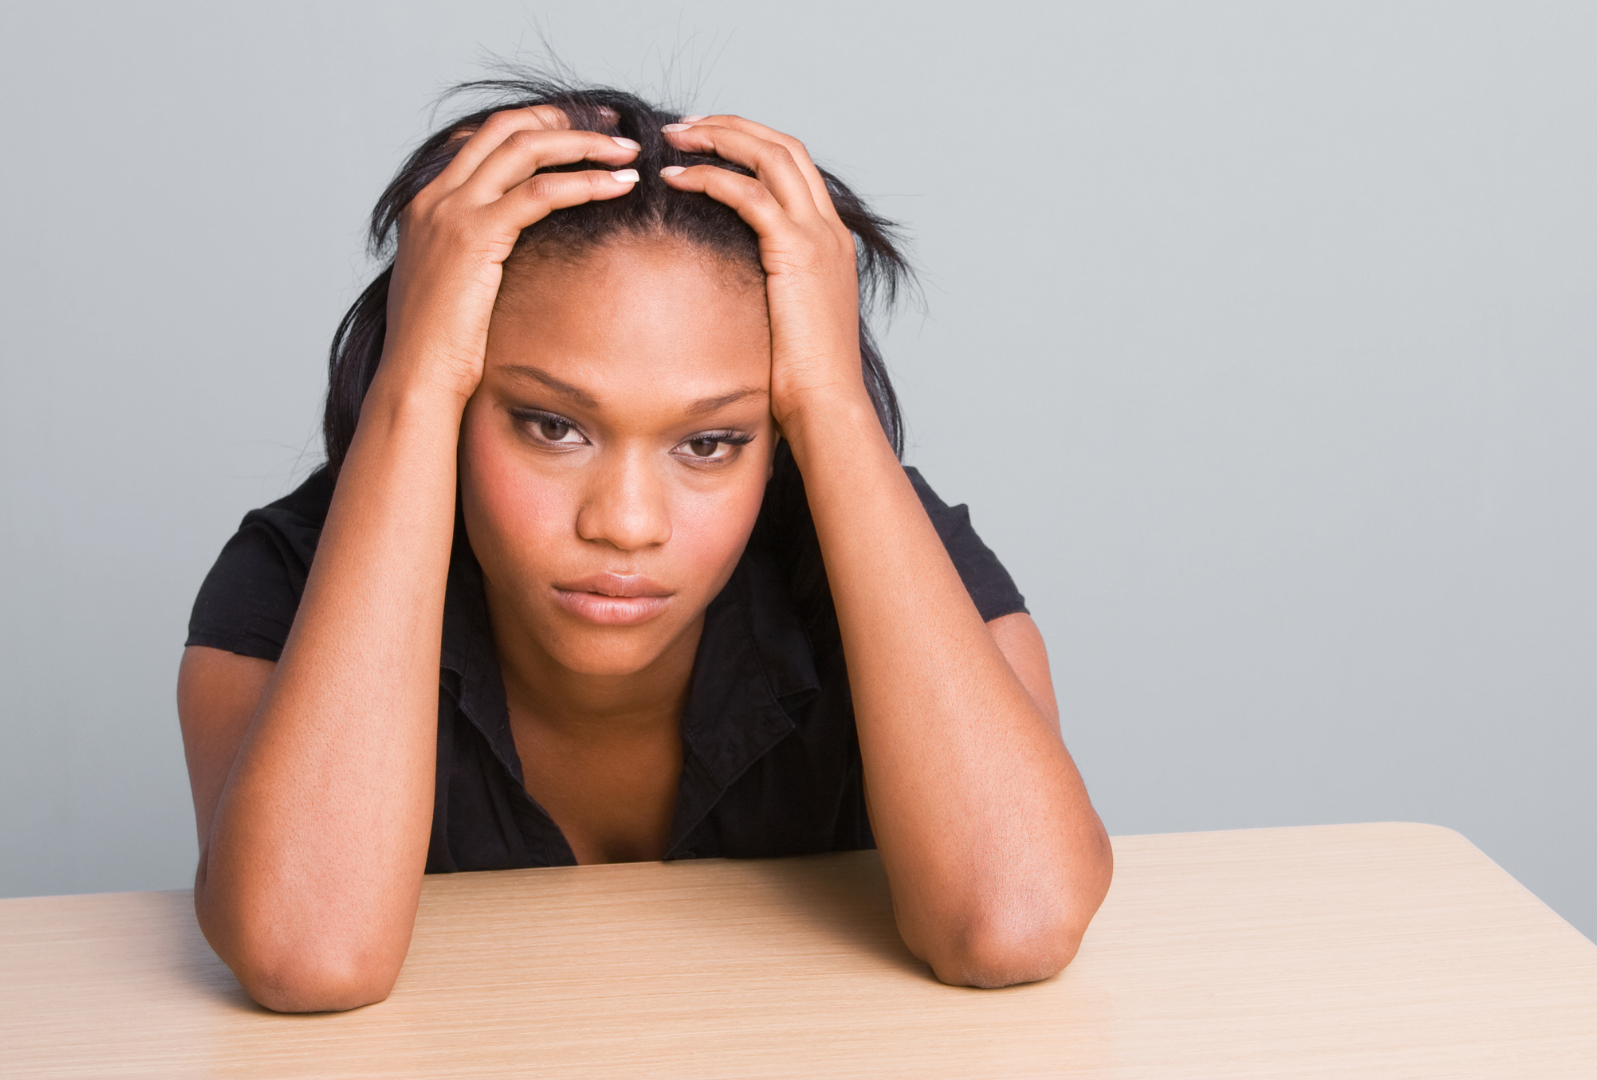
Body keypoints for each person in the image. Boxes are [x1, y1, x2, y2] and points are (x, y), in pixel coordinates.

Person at [176, 76, 1112, 1013]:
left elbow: (1016, 920)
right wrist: (414, 377)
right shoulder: (290, 576)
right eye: (551, 426)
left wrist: (832, 397)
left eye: (710, 443)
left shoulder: (882, 547)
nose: (626, 523)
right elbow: (308, 954)